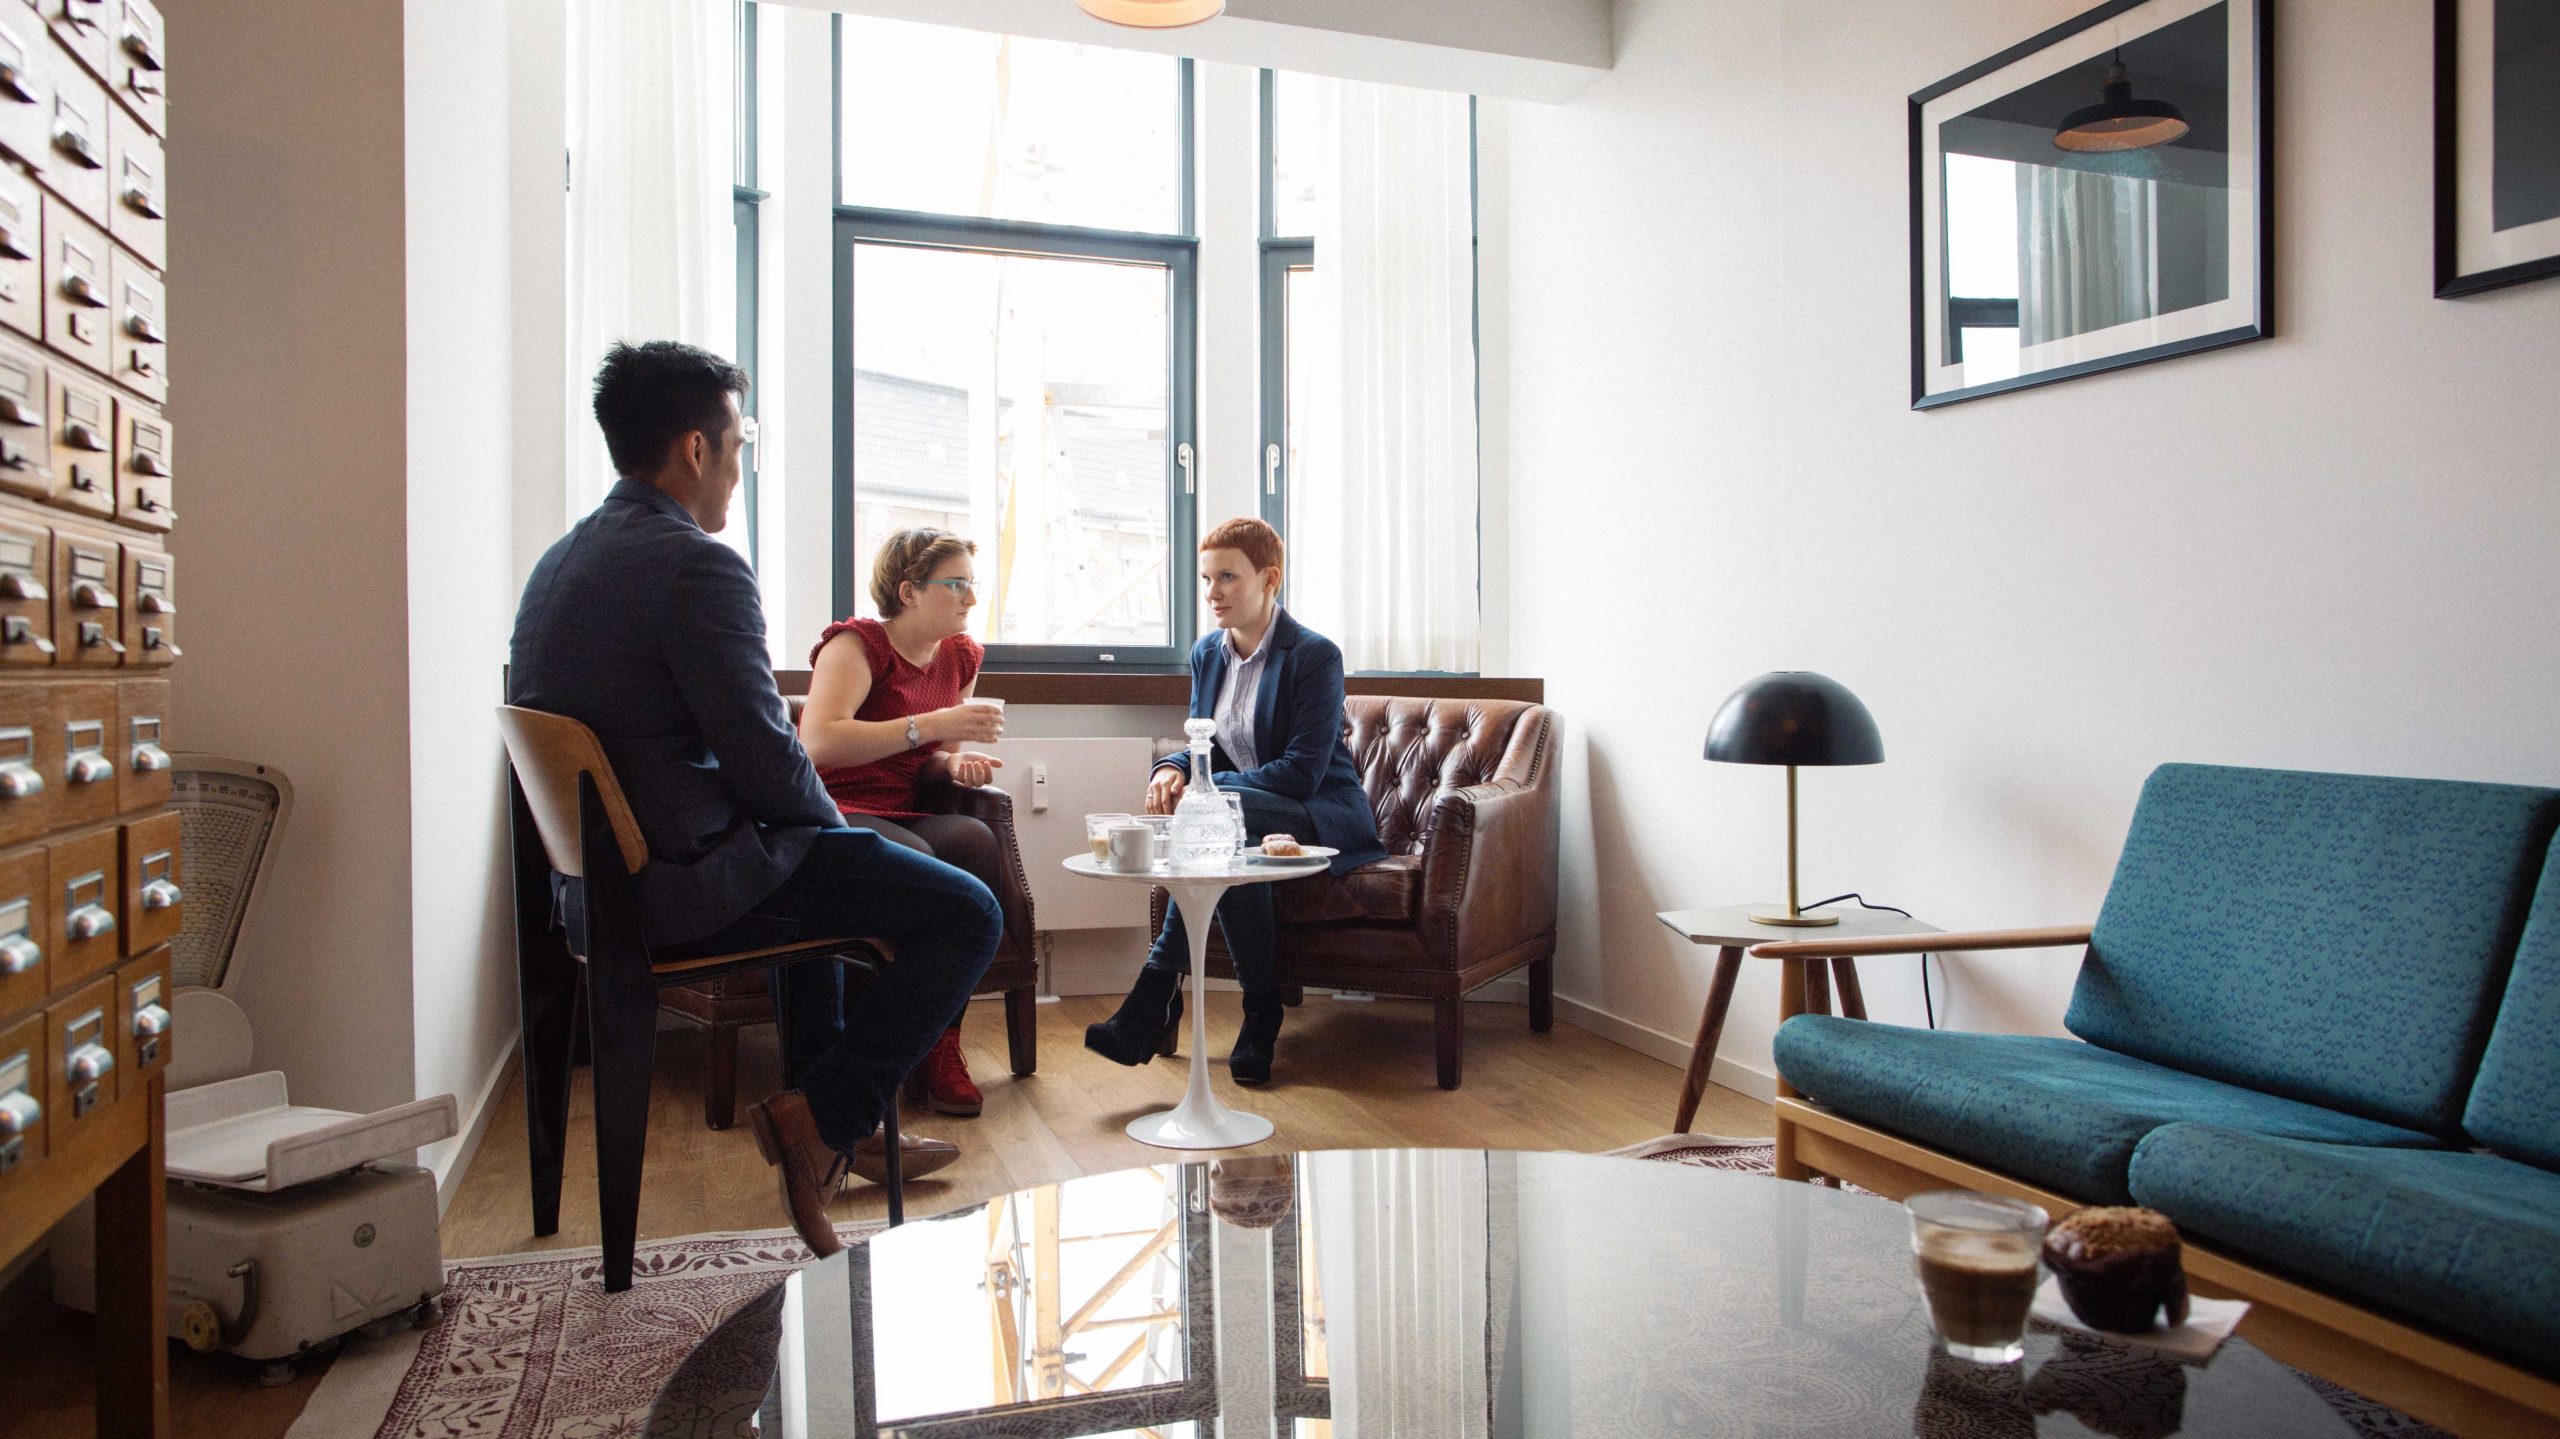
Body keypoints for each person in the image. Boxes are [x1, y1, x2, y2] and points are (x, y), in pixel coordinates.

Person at [507, 340, 998, 1258]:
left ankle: (835, 1126)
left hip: (594, 883)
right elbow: (773, 766)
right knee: (966, 910)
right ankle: (828, 1120)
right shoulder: (697, 566)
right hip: (680, 881)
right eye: (738, 445)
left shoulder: (561, 562)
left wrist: (821, 827)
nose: (739, 469)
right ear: (698, 449)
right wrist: (836, 825)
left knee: (820, 866)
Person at [1083, 518, 1385, 1085]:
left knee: (1215, 819)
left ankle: (1153, 996)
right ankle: (1259, 1011)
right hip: (1246, 817)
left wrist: (1206, 794)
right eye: (1205, 579)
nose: (1212, 592)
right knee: (1228, 841)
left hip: (1321, 812)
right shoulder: (1207, 653)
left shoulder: (1314, 656)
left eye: (1227, 577)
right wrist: (1175, 768)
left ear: (1270, 578)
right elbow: (1208, 745)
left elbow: (1301, 773)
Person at [798, 528, 1008, 1117]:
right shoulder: (858, 645)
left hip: (907, 804)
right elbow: (817, 743)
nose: (971, 597)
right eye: (957, 584)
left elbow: (930, 755)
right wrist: (936, 722)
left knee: (972, 839)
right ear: (910, 591)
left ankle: (941, 1041)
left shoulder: (961, 655)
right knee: (920, 858)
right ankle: (876, 1047)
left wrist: (954, 762)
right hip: (836, 807)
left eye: (973, 583)